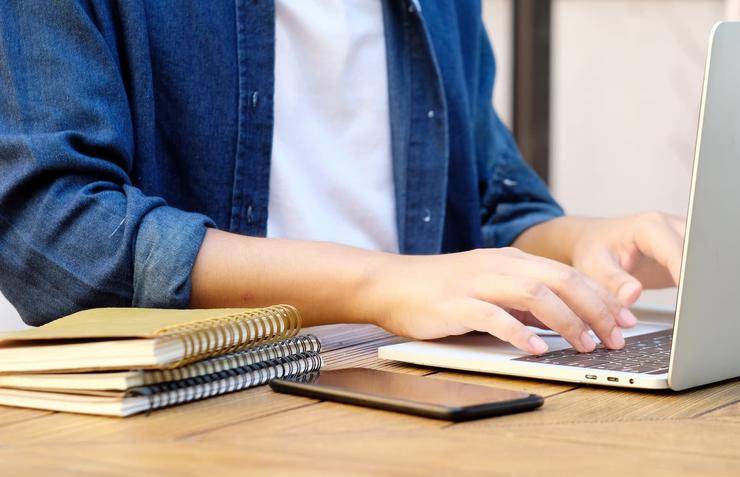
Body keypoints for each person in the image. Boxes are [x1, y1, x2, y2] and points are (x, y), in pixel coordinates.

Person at [0, 0, 684, 356]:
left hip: (417, 395)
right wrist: (380, 284)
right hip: (202, 417)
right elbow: (56, 237)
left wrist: (578, 245)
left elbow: (481, 200)